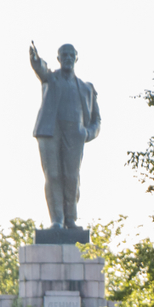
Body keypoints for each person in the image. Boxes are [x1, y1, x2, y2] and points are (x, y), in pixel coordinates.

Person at [29, 42, 101, 230]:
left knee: (71, 177)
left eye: (71, 55)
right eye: (64, 55)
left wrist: (87, 133)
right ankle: (57, 221)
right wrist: (36, 61)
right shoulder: (51, 79)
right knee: (53, 175)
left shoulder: (86, 88)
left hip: (75, 134)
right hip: (50, 132)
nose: (68, 58)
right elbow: (41, 70)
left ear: (76, 58)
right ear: (58, 59)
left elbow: (97, 120)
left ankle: (70, 219)